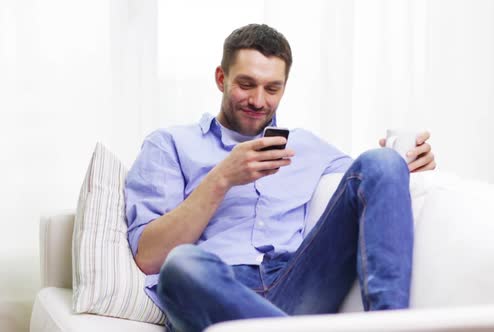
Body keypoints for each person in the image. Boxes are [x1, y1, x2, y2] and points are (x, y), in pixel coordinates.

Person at [125, 23, 436, 332]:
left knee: (382, 161)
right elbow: (151, 258)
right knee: (181, 265)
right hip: (216, 292)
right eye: (246, 84)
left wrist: (405, 163)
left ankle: (392, 327)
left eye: (272, 88)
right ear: (221, 78)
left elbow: (373, 183)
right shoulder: (170, 145)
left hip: (296, 286)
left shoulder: (307, 147)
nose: (259, 101)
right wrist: (222, 177)